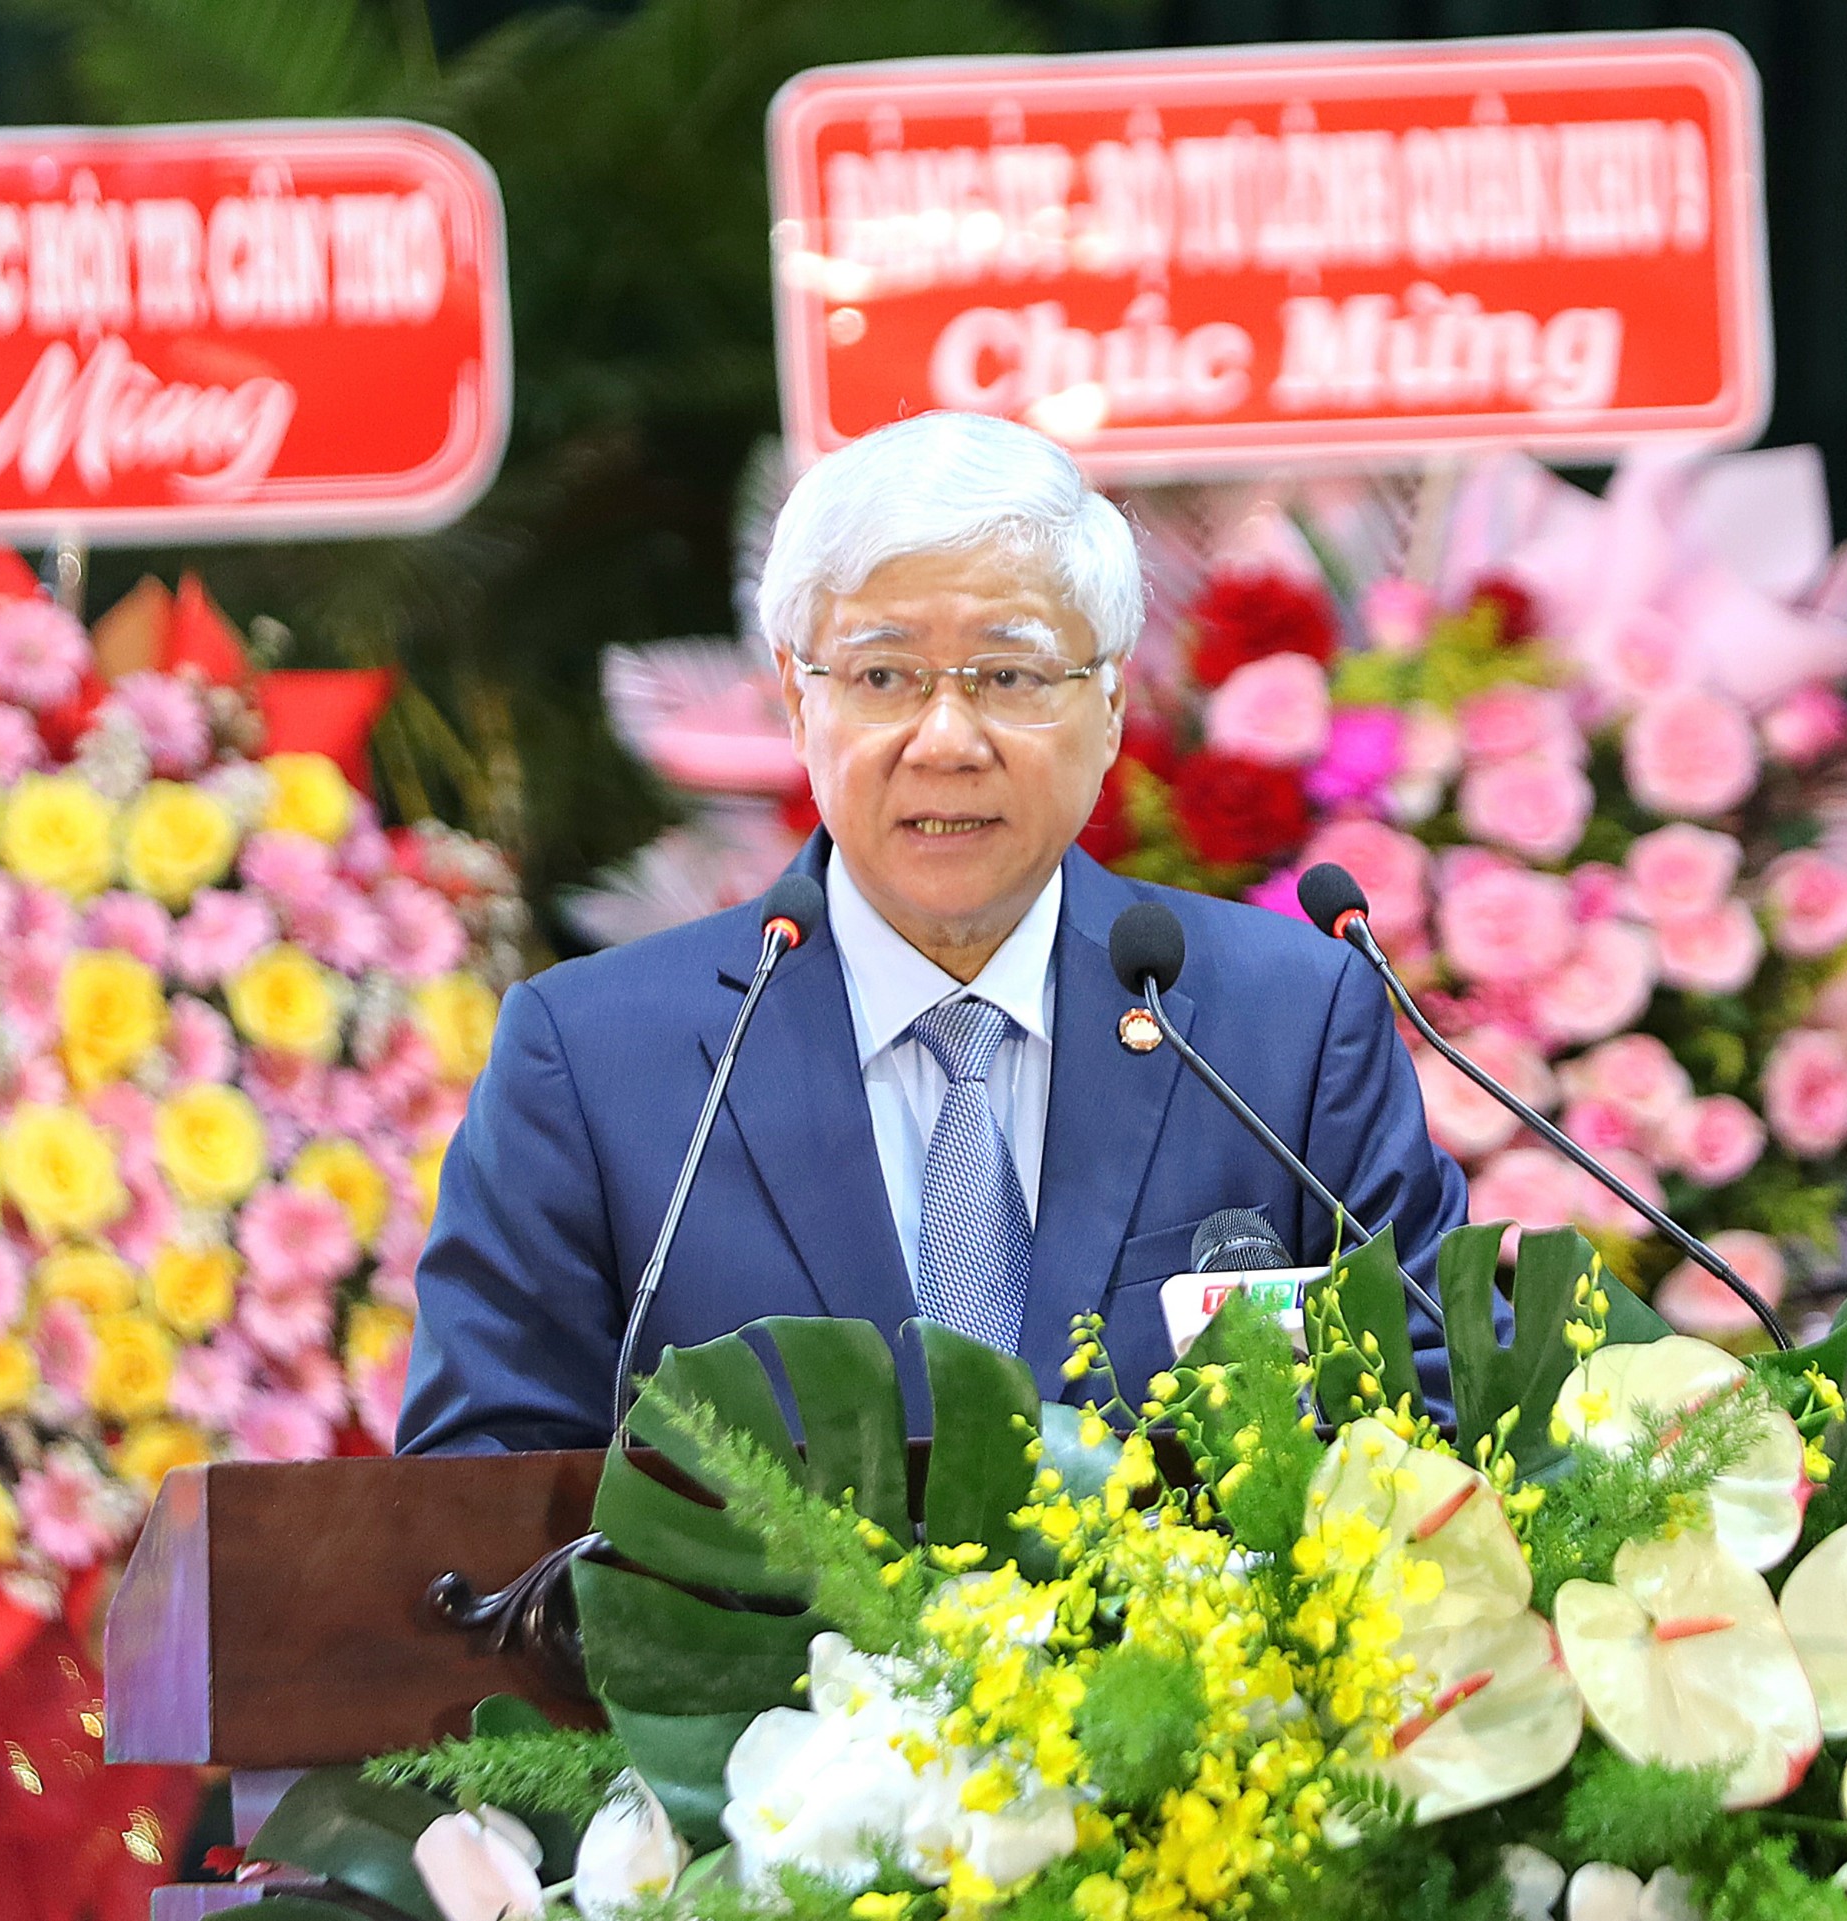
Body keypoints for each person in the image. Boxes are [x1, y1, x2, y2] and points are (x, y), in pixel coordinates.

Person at [397, 412, 1467, 1454]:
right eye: (881, 677)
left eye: (1009, 675)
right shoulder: (591, 1059)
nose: (946, 739)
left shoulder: (1283, 1025)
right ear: (794, 700)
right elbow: (477, 1502)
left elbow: (1440, 1425)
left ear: (1106, 704)